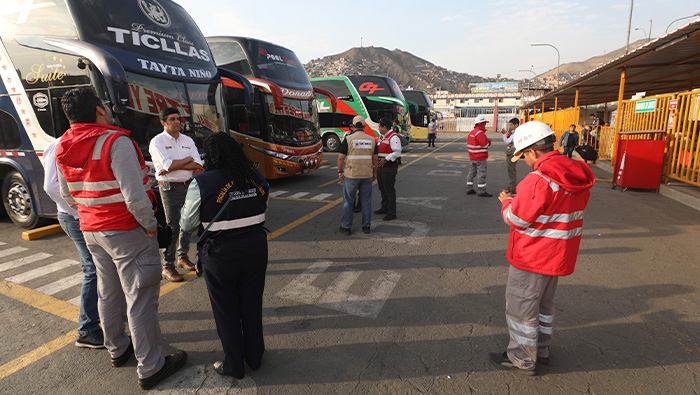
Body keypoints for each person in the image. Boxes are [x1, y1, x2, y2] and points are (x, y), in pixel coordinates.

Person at [55, 87, 186, 390]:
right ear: (99, 110)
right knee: (140, 297)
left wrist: (92, 214)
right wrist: (152, 227)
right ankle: (151, 366)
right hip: (126, 231)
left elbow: (66, 196)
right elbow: (136, 197)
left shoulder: (63, 145)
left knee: (108, 291)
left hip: (91, 230)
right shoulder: (116, 141)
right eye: (104, 105)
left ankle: (117, 348)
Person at [490, 121, 595, 375]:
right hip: (557, 256)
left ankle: (522, 358)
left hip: (531, 257)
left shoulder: (538, 180)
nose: (525, 161)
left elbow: (517, 219)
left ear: (532, 152)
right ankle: (542, 350)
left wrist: (507, 203)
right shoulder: (575, 174)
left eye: (524, 155)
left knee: (521, 308)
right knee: (544, 307)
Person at [180, 133, 269, 379]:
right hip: (255, 248)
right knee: (252, 304)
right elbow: (262, 208)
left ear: (210, 155)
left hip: (220, 254)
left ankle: (234, 364)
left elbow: (187, 224)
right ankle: (255, 356)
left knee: (226, 310)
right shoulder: (258, 179)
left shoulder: (203, 182)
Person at [43, 136, 103, 349]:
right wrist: (77, 208)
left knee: (104, 266)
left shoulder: (90, 139)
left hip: (90, 215)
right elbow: (51, 186)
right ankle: (87, 329)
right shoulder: (60, 145)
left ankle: (110, 313)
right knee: (93, 270)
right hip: (75, 217)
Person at [149, 107, 203, 282]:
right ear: (163, 122)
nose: (177, 121)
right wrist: (186, 161)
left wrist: (175, 165)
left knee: (189, 222)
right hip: (169, 188)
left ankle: (182, 256)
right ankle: (167, 265)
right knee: (173, 226)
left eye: (178, 118)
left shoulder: (188, 140)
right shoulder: (157, 142)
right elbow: (167, 165)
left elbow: (198, 165)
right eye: (172, 119)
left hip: (189, 185)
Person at [337, 116, 378, 234]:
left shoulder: (348, 139)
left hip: (351, 175)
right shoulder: (372, 140)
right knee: (366, 201)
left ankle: (346, 227)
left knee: (348, 201)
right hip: (367, 175)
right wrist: (374, 173)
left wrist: (340, 171)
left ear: (353, 126)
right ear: (364, 126)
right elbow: (375, 159)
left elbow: (341, 158)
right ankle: (366, 226)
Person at [375, 117, 402, 221]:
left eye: (379, 127)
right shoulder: (382, 136)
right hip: (381, 167)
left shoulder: (393, 137)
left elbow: (397, 152)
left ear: (384, 127)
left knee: (389, 190)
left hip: (389, 167)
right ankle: (384, 207)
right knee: (382, 189)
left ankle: (391, 212)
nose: (378, 129)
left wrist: (385, 159)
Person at [466, 115, 492, 197]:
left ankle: (469, 188)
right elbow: (485, 145)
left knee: (471, 172)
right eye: (485, 123)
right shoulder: (480, 133)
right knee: (481, 174)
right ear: (481, 123)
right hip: (480, 157)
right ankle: (481, 191)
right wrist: (489, 142)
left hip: (472, 157)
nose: (485, 125)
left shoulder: (472, 132)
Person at [501, 118, 519, 193]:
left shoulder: (516, 133)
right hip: (512, 150)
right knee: (511, 170)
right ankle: (512, 185)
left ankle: (513, 189)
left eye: (511, 125)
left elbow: (507, 141)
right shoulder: (514, 132)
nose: (510, 126)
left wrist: (503, 134)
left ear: (516, 125)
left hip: (512, 152)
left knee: (511, 171)